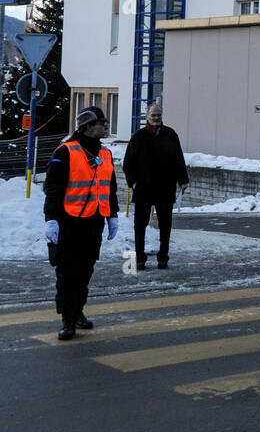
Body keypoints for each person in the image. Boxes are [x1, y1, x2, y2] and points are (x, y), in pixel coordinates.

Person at [43, 105, 119, 341]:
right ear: (88, 126)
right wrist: (51, 220)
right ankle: (67, 319)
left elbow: (110, 188)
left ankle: (77, 311)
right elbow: (53, 189)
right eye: (101, 123)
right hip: (68, 222)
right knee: (68, 273)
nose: (105, 126)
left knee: (85, 270)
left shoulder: (105, 154)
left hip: (93, 222)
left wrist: (113, 216)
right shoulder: (66, 151)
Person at [123, 102, 189, 271]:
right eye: (153, 115)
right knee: (140, 225)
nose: (156, 118)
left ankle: (163, 258)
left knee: (165, 225)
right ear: (147, 116)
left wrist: (183, 180)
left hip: (165, 188)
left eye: (159, 115)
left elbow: (178, 159)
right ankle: (139, 259)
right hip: (143, 188)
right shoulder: (138, 137)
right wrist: (134, 182)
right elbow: (128, 164)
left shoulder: (170, 135)